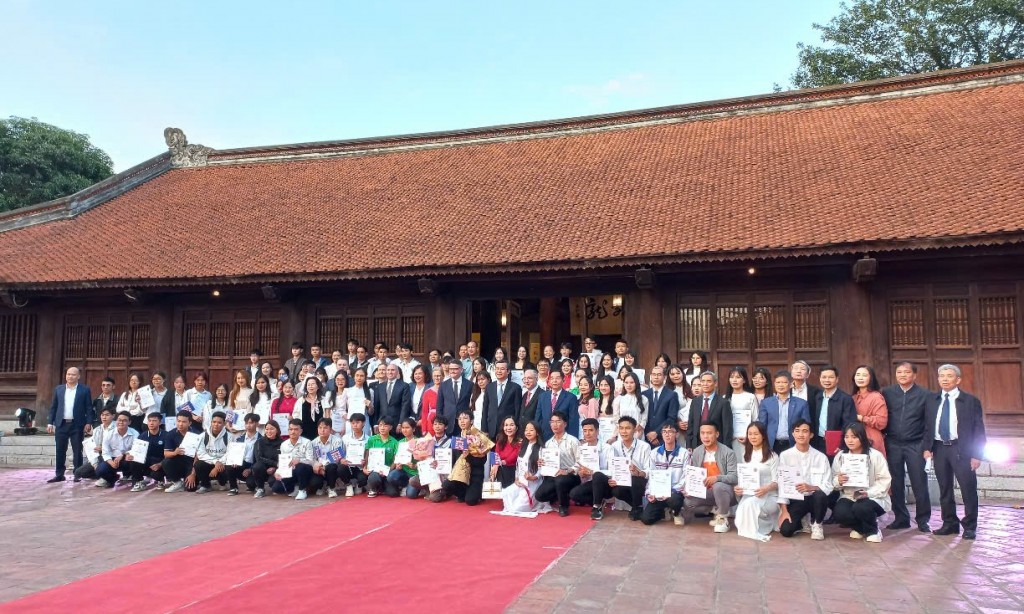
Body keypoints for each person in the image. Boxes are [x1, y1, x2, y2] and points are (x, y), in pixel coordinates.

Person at [923, 363, 986, 540]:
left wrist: (977, 454)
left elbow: (979, 430)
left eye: (949, 376)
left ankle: (970, 526)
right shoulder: (931, 400)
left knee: (968, 488)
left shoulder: (970, 401)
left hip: (962, 449)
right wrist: (927, 448)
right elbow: (927, 426)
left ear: (958, 379)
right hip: (940, 447)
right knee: (944, 488)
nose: (945, 379)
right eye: (942, 376)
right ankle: (949, 523)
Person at [882, 361, 932, 532]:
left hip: (915, 444)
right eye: (899, 372)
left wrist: (927, 446)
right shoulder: (887, 393)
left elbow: (928, 423)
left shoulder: (925, 395)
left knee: (919, 482)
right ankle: (901, 518)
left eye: (906, 372)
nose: (902, 375)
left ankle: (923, 519)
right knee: (895, 483)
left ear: (914, 375)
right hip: (893, 443)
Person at [832, 422, 892, 543]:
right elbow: (833, 479)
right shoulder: (840, 456)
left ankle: (873, 530)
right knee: (840, 513)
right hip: (849, 496)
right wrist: (838, 480)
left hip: (873, 497)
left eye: (854, 437)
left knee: (862, 507)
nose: (850, 440)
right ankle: (860, 528)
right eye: (847, 437)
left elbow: (885, 480)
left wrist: (868, 493)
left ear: (862, 437)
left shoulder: (875, 456)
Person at [777, 419, 834, 540]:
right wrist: (784, 511)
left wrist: (811, 487)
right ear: (792, 434)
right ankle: (802, 520)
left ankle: (817, 524)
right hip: (797, 499)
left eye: (804, 431)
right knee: (786, 530)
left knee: (820, 495)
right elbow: (782, 485)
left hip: (815, 499)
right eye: (797, 431)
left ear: (811, 435)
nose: (801, 434)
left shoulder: (821, 457)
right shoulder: (785, 456)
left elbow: (828, 485)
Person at [590, 416, 651, 521]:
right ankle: (597, 507)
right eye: (621, 428)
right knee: (599, 476)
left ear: (635, 429)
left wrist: (639, 472)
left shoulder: (644, 446)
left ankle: (637, 507)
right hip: (620, 481)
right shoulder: (614, 446)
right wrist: (612, 478)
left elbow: (649, 470)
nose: (624, 431)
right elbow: (612, 466)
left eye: (628, 428)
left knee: (636, 479)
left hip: (637, 481)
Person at [682, 422, 738, 533]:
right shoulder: (697, 451)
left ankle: (722, 518)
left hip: (725, 492)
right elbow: (693, 474)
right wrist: (688, 488)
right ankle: (715, 510)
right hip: (705, 492)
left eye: (709, 433)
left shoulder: (728, 452)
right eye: (702, 433)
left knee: (718, 486)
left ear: (717, 434)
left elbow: (734, 477)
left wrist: (717, 478)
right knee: (688, 502)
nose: (705, 436)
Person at [733, 422, 779, 541]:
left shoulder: (772, 456)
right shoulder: (745, 455)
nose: (753, 437)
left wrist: (766, 489)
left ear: (763, 435)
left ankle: (768, 523)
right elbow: (744, 477)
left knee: (749, 505)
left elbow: (777, 482)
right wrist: (739, 487)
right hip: (750, 493)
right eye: (750, 434)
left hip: (769, 495)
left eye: (756, 434)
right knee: (740, 519)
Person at [46, 366, 94, 483]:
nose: (70, 376)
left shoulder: (84, 390)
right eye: (68, 374)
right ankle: (59, 474)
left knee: (77, 450)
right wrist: (50, 423)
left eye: (73, 374)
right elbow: (54, 407)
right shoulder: (59, 389)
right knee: (60, 450)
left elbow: (89, 407)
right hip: (61, 424)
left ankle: (77, 473)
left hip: (77, 424)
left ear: (78, 376)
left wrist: (89, 422)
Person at [640, 421, 690, 525]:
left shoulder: (685, 453)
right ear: (661, 434)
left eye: (671, 431)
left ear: (677, 434)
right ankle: (664, 511)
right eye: (664, 431)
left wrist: (672, 491)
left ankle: (676, 512)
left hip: (675, 492)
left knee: (675, 500)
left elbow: (686, 477)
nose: (667, 434)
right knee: (646, 519)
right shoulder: (654, 453)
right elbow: (652, 476)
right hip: (659, 492)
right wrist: (650, 493)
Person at [534, 410, 581, 516]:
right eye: (552, 422)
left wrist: (567, 470)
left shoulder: (573, 441)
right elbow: (545, 462)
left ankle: (563, 505)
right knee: (540, 496)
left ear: (565, 424)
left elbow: (580, 462)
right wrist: (542, 462)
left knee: (560, 480)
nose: (554, 425)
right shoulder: (549, 443)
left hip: (570, 475)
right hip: (554, 475)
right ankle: (563, 494)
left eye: (558, 421)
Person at [444, 410, 494, 505]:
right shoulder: (456, 438)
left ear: (471, 421)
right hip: (460, 473)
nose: (462, 421)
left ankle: (476, 493)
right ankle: (462, 494)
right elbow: (451, 459)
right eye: (460, 419)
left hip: (475, 474)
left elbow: (482, 461)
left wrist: (469, 457)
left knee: (470, 501)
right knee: (446, 486)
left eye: (465, 418)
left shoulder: (479, 437)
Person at [500, 421, 549, 513]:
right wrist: (516, 478)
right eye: (526, 430)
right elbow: (518, 466)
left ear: (537, 432)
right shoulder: (523, 447)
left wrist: (534, 477)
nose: (528, 432)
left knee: (517, 509)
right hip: (521, 481)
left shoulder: (541, 448)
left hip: (533, 484)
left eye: (531, 430)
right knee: (505, 493)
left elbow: (542, 467)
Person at [757, 371, 810, 455]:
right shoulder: (766, 403)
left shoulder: (801, 403)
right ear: (774, 384)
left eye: (784, 382)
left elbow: (806, 426)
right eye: (778, 382)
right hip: (772, 444)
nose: (780, 385)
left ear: (791, 384)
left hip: (793, 443)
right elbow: (762, 425)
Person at [811, 366, 857, 456]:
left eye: (831, 377)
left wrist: (843, 444)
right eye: (824, 377)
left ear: (837, 379)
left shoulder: (845, 399)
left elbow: (849, 424)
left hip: (837, 442)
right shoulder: (817, 397)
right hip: (817, 441)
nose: (827, 380)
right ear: (820, 379)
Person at [297, 417, 346, 499]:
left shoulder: (338, 441)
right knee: (314, 482)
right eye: (320, 428)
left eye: (325, 428)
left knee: (332, 467)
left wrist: (324, 466)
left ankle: (331, 488)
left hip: (331, 467)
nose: (322, 430)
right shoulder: (313, 442)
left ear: (330, 429)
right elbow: (312, 458)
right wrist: (317, 466)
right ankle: (322, 485)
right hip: (318, 469)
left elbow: (337, 458)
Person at [568, 418, 612, 507]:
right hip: (589, 482)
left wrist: (593, 472)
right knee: (573, 494)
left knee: (597, 476)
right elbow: (578, 464)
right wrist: (578, 471)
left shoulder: (608, 448)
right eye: (585, 431)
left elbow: (612, 471)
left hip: (605, 483)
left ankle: (597, 506)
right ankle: (599, 501)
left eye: (591, 430)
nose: (587, 433)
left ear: (597, 431)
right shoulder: (582, 448)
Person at [684, 372, 732, 450]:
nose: (705, 384)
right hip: (697, 445)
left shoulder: (723, 402)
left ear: (715, 383)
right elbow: (691, 425)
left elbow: (727, 428)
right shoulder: (695, 402)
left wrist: (726, 448)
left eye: (709, 381)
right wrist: (689, 445)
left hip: (716, 445)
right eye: (703, 381)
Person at [851, 365, 888, 457]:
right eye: (858, 375)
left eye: (864, 375)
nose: (860, 378)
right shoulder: (853, 398)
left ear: (871, 378)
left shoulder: (876, 397)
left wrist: (862, 418)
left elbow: (882, 422)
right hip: (855, 438)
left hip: (871, 438)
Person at [94, 411, 138, 488]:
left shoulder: (135, 434)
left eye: (124, 420)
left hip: (126, 458)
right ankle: (112, 479)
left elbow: (136, 449)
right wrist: (111, 462)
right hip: (112, 458)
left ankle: (136, 480)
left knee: (134, 462)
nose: (121, 422)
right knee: (100, 471)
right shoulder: (108, 434)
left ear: (129, 422)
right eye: (119, 420)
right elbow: (105, 452)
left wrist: (123, 455)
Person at [724, 366, 759, 458]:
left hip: (746, 439)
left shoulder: (750, 397)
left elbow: (756, 419)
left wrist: (749, 436)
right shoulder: (725, 398)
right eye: (732, 377)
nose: (734, 380)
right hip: (729, 439)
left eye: (738, 377)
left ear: (744, 380)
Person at [483, 359, 522, 441]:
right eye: (497, 368)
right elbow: (485, 409)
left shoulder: (515, 388)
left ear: (508, 371)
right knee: (492, 454)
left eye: (502, 369)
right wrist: (484, 429)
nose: (499, 371)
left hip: (508, 430)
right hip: (491, 429)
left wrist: (517, 429)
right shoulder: (489, 387)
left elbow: (517, 410)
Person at [192, 412, 230, 493]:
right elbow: (201, 454)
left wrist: (218, 464)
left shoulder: (229, 436)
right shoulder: (202, 436)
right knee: (198, 464)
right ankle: (205, 485)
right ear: (211, 422)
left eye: (219, 422)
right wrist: (215, 462)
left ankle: (223, 483)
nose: (216, 424)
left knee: (229, 467)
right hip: (209, 462)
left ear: (224, 424)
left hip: (222, 464)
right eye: (214, 422)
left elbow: (230, 453)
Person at [127, 413, 167, 491]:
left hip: (160, 463)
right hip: (147, 462)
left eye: (154, 421)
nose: (151, 423)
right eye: (149, 421)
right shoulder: (142, 436)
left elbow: (169, 455)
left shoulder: (166, 435)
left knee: (156, 474)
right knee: (133, 460)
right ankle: (139, 481)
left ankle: (160, 480)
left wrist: (160, 464)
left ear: (160, 422)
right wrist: (130, 455)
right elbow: (136, 451)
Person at [74, 406, 115, 482]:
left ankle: (108, 476)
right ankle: (107, 475)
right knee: (78, 472)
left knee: (101, 469)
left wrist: (103, 448)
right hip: (99, 457)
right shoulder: (97, 430)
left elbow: (119, 446)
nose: (104, 417)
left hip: (112, 456)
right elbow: (92, 450)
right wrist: (95, 464)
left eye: (107, 415)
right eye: (102, 415)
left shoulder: (117, 428)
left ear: (113, 415)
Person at [271, 420, 311, 497]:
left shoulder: (307, 442)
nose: (293, 432)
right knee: (276, 488)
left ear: (301, 431)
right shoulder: (284, 444)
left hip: (304, 470)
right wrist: (278, 471)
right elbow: (283, 461)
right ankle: (294, 488)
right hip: (289, 471)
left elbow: (311, 460)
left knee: (300, 466)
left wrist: (299, 460)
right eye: (291, 429)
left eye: (296, 429)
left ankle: (302, 490)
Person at [643, 366, 680, 446]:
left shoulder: (672, 395)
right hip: (645, 438)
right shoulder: (644, 395)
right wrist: (648, 434)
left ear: (665, 377)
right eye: (654, 374)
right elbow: (641, 416)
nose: (656, 377)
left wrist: (656, 433)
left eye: (659, 374)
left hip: (663, 439)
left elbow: (671, 418)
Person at [162, 411, 198, 493]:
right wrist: (175, 452)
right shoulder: (171, 434)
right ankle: (177, 482)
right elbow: (166, 454)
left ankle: (194, 480)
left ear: (190, 423)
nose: (180, 424)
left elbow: (199, 456)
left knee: (191, 489)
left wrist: (193, 473)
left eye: (184, 422)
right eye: (178, 421)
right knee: (166, 462)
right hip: (178, 461)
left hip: (192, 463)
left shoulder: (197, 434)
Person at [536, 372, 579, 439]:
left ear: (563, 381)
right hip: (544, 436)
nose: (554, 381)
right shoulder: (542, 396)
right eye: (552, 378)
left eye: (557, 378)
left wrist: (572, 439)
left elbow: (573, 421)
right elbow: (538, 417)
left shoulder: (571, 397)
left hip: (563, 437)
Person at [386, 418, 422, 498]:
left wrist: (415, 466)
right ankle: (405, 485)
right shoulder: (400, 442)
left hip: (416, 473)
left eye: (407, 428)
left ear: (413, 429)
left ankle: (419, 487)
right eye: (403, 428)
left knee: (411, 495)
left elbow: (424, 461)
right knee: (391, 477)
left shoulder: (419, 442)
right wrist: (398, 465)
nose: (404, 430)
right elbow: (397, 458)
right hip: (404, 470)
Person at [365, 417, 400, 497]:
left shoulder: (395, 442)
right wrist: (365, 467)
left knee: (393, 494)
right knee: (373, 477)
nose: (382, 428)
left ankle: (382, 487)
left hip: (388, 471)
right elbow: (367, 454)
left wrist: (387, 471)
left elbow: (395, 460)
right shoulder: (372, 439)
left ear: (390, 427)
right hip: (375, 470)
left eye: (385, 425)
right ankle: (373, 488)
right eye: (380, 425)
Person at [228, 413, 261, 495]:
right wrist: (234, 461)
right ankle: (233, 488)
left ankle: (256, 485)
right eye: (246, 423)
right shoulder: (239, 439)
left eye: (251, 423)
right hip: (241, 464)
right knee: (229, 465)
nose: (248, 425)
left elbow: (261, 459)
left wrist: (250, 469)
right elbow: (234, 454)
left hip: (254, 467)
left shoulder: (261, 439)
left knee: (251, 483)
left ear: (257, 424)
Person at [437, 360, 472, 435]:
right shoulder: (443, 385)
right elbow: (439, 405)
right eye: (450, 369)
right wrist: (440, 422)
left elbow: (472, 404)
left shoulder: (470, 384)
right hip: (447, 422)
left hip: (464, 423)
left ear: (461, 370)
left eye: (455, 369)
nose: (452, 371)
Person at [251, 419, 283, 498]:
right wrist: (274, 464)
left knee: (274, 485)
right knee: (256, 469)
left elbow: (283, 459)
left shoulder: (282, 443)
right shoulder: (259, 442)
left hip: (276, 469)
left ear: (277, 430)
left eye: (272, 429)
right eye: (267, 429)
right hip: (262, 469)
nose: (269, 431)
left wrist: (275, 468)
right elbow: (259, 458)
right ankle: (260, 489)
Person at [341, 413, 371, 496]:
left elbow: (370, 455)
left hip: (361, 467)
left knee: (363, 478)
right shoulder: (345, 438)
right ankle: (349, 486)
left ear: (364, 423)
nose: (355, 425)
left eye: (357, 423)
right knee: (340, 468)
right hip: (349, 465)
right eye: (353, 423)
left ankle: (359, 485)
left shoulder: (369, 439)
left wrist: (366, 461)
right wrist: (342, 459)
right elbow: (342, 453)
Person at [491, 417, 522, 488]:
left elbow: (514, 457)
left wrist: (501, 463)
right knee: (496, 467)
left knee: (502, 468)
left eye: (511, 425)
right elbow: (495, 455)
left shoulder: (520, 441)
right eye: (506, 425)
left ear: (516, 427)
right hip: (501, 468)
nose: (508, 428)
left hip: (513, 469)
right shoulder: (500, 440)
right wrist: (493, 468)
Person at [790, 360, 821, 428]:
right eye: (796, 368)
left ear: (807, 375)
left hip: (809, 427)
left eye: (802, 369)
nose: (799, 371)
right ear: (791, 373)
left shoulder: (815, 391)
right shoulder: (786, 390)